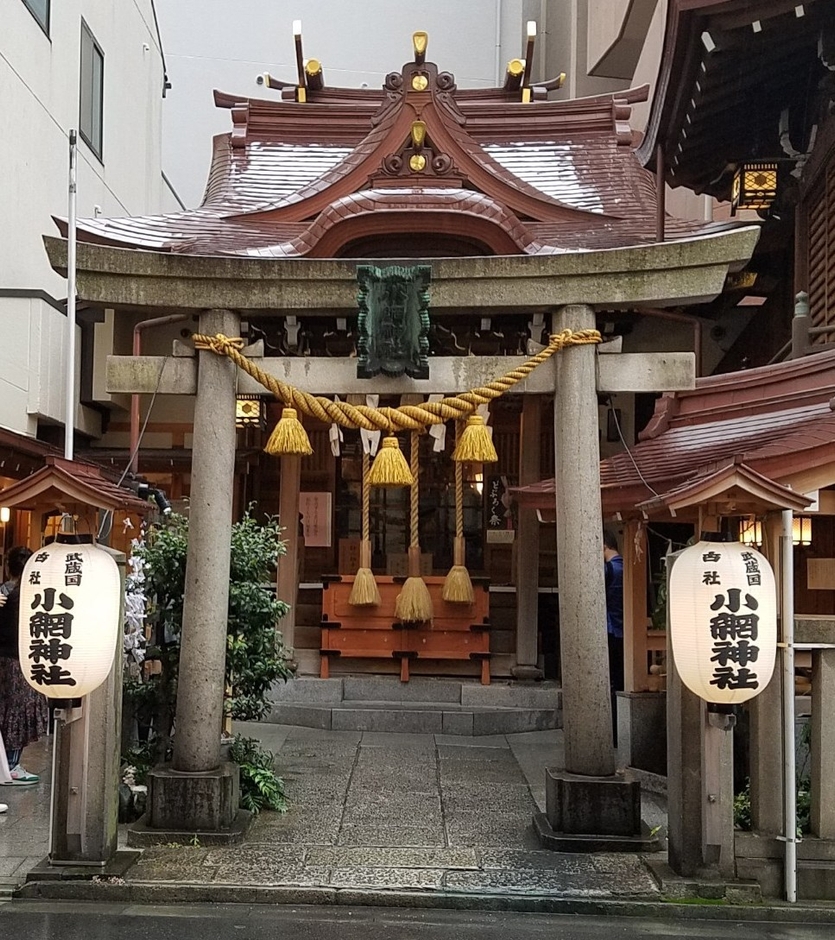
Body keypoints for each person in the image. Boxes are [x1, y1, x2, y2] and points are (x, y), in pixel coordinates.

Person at [0, 546, 47, 785]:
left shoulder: (4, 591)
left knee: (7, 711)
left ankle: (7, 765)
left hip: (6, 658)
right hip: (19, 660)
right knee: (18, 711)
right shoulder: (27, 595)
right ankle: (11, 765)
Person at [603, 528, 624, 746]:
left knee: (609, 682)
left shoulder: (607, 570)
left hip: (609, 629)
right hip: (625, 630)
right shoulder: (626, 568)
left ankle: (613, 732)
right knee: (620, 681)